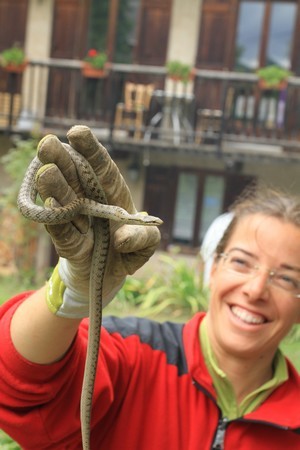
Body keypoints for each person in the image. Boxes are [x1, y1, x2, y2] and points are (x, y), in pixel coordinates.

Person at [0, 126, 300, 450]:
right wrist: (71, 295)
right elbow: (18, 382)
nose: (256, 290)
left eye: (287, 278)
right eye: (241, 262)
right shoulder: (133, 354)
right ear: (211, 268)